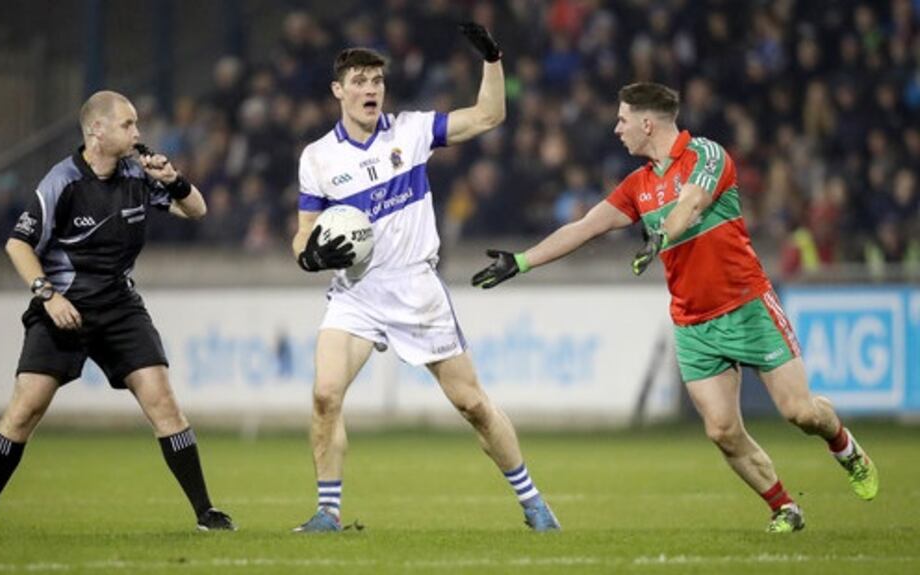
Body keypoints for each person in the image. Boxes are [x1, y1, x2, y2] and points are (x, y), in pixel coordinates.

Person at [472, 82, 879, 533]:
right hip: (693, 323)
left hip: (748, 306)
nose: (616, 128)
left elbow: (694, 201)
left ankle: (844, 447)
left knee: (800, 412)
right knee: (722, 431)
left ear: (647, 123)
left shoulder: (708, 155)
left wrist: (661, 235)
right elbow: (587, 227)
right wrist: (522, 261)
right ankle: (784, 507)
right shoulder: (638, 185)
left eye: (622, 119)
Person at [290, 24, 559, 532]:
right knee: (325, 396)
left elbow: (489, 116)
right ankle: (328, 512)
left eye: (376, 80)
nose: (371, 89)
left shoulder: (410, 132)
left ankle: (534, 503)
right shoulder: (318, 158)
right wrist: (308, 257)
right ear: (338, 91)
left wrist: (493, 59)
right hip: (357, 293)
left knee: (473, 405)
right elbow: (303, 235)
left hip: (415, 288)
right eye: (360, 80)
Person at [0, 91, 234, 532]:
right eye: (128, 124)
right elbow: (17, 243)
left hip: (120, 307)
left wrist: (174, 179)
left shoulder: (139, 173)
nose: (138, 133)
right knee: (26, 409)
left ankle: (206, 513)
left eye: (137, 124)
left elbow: (196, 209)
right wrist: (49, 295)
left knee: (164, 403)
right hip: (64, 308)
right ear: (96, 131)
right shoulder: (62, 182)